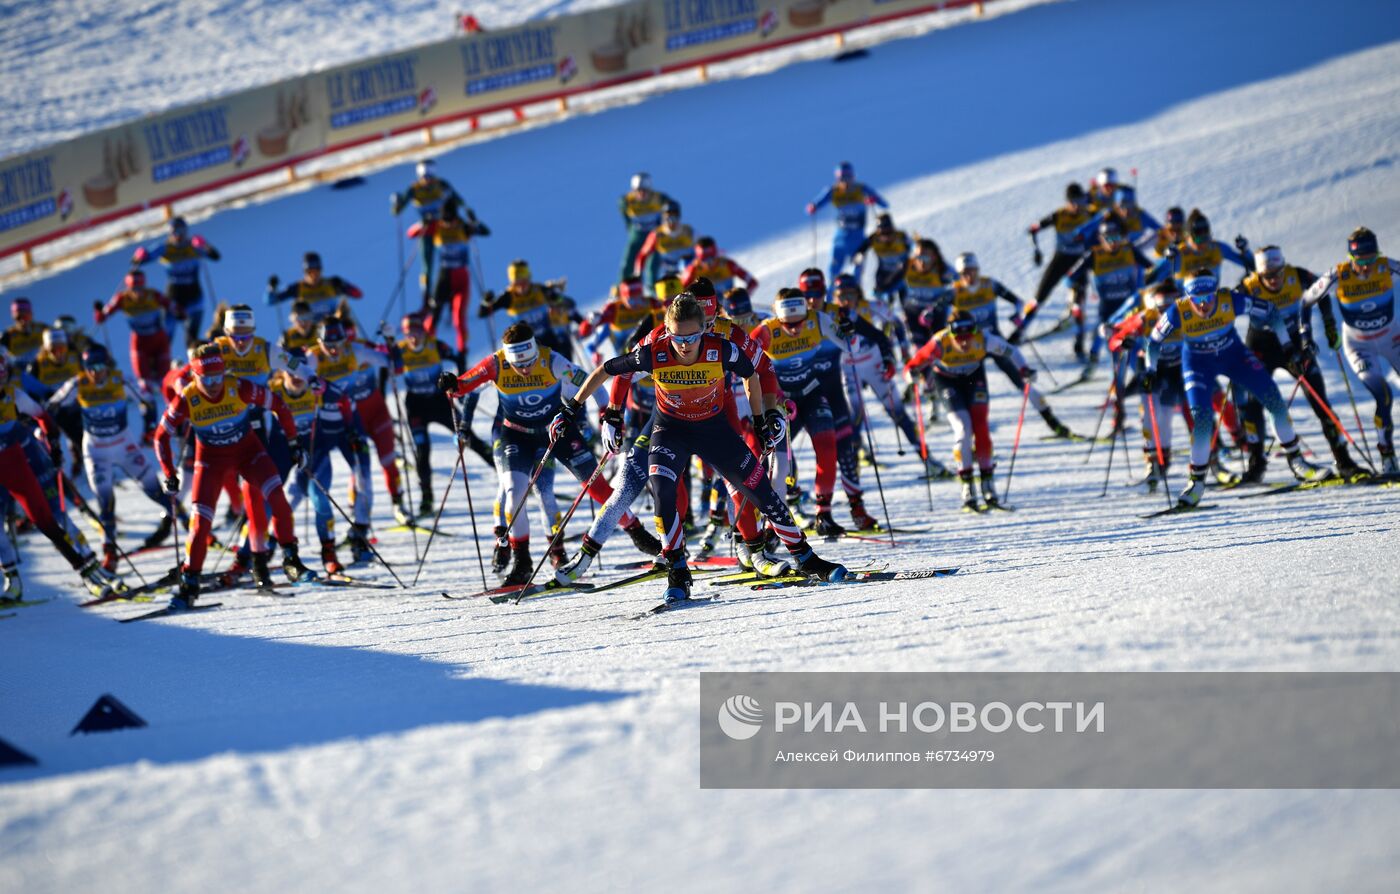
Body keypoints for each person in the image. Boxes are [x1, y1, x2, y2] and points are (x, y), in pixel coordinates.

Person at [562, 294, 847, 603]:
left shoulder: (720, 349)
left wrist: (760, 419)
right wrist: (575, 409)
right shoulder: (654, 352)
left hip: (713, 431)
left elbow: (753, 373)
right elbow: (607, 370)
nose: (684, 345)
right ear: (668, 332)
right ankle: (678, 570)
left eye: (693, 337)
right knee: (663, 492)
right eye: (677, 337)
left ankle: (806, 558)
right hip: (670, 431)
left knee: (760, 490)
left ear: (704, 331)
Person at [437, 322, 640, 582]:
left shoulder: (552, 361)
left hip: (555, 430)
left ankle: (639, 534)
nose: (525, 369)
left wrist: (606, 416)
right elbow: (463, 386)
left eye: (529, 362)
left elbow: (597, 387)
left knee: (597, 487)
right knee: (513, 493)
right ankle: (522, 562)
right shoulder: (496, 363)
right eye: (518, 365)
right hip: (516, 434)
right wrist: (451, 382)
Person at [1145, 268, 1317, 507]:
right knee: (1202, 420)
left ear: (1216, 294)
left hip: (1234, 356)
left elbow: (1271, 311)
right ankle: (1196, 482)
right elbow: (1154, 341)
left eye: (1208, 298)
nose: (1204, 305)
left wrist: (1287, 345)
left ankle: (1297, 461)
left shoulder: (1229, 300)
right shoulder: (1179, 310)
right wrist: (1150, 370)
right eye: (1197, 300)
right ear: (1187, 298)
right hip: (1198, 364)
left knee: (1275, 402)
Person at [155, 345, 311, 606]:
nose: (214, 384)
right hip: (211, 461)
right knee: (200, 524)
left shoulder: (238, 386)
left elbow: (280, 406)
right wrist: (170, 473)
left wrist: (294, 443)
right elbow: (161, 437)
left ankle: (291, 559)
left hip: (248, 453)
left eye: (218, 376)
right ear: (195, 376)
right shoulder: (187, 398)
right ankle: (190, 581)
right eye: (207, 379)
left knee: (278, 500)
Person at [0, 350, 125, 599]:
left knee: (49, 521)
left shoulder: (14, 396)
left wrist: (55, 446)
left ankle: (90, 572)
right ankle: (12, 584)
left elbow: (44, 416)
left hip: (21, 463)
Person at [47, 344, 184, 567]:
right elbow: (51, 405)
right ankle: (110, 553)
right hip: (95, 451)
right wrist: (48, 431)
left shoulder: (119, 379)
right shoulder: (78, 383)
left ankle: (195, 529)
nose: (95, 372)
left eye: (100, 366)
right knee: (105, 503)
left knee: (156, 492)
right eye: (90, 367)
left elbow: (148, 400)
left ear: (107, 366)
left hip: (124, 446)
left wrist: (150, 426)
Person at [751, 288, 874, 535]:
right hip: (781, 402)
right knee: (779, 465)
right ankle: (772, 523)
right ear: (778, 317)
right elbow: (745, 357)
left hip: (812, 393)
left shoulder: (818, 320)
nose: (795, 329)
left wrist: (850, 332)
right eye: (789, 324)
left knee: (829, 450)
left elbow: (853, 347)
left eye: (799, 322)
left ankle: (824, 515)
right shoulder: (767, 329)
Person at [1235, 245, 1361, 481]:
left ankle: (1344, 460)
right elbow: (1224, 310)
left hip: (1295, 345)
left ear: (1284, 267)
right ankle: (1256, 464)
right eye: (1268, 276)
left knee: (1320, 402)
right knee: (1253, 405)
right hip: (1261, 347)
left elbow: (1322, 294)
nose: (1274, 280)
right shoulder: (1249, 285)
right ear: (1259, 275)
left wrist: (1329, 325)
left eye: (1278, 273)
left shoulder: (1298, 275)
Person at [929, 252, 1074, 438]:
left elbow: (1020, 303)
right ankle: (973, 440)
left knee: (1022, 382)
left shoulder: (990, 285)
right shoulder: (954, 291)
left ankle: (1053, 423)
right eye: (964, 272)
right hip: (970, 350)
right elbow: (932, 311)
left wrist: (1018, 316)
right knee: (974, 396)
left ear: (977, 270)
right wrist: (929, 316)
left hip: (993, 342)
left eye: (971, 271)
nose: (968, 276)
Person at [1300, 227, 1400, 473]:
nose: (1365, 266)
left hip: (1392, 337)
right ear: (1350, 257)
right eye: (1360, 260)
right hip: (1359, 344)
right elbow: (1305, 300)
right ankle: (1387, 455)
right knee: (1383, 395)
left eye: (1370, 259)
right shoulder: (1338, 274)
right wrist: (1305, 334)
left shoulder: (1387, 266)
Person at [306, 317, 408, 523]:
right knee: (357, 468)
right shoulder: (315, 357)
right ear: (320, 342)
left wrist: (391, 342)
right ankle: (356, 515)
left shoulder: (359, 349)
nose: (335, 350)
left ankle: (398, 504)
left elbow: (396, 366)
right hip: (346, 419)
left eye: (340, 343)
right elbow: (295, 374)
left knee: (387, 460)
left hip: (375, 412)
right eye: (329, 345)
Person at [272, 366, 371, 573]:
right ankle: (261, 553)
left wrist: (350, 427)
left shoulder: (315, 388)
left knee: (320, 500)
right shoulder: (273, 390)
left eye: (301, 373)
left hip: (314, 455)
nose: (297, 378)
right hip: (285, 454)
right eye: (291, 373)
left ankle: (329, 554)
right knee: (277, 504)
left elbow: (343, 398)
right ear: (283, 373)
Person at [396, 312, 490, 516]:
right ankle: (426, 498)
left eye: (417, 332)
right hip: (416, 405)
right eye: (408, 333)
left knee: (469, 438)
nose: (413, 337)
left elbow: (458, 357)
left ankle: (506, 472)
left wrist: (460, 385)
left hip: (439, 402)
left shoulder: (435, 345)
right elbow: (384, 365)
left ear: (423, 331)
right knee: (422, 450)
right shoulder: (400, 350)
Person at [1108, 280, 1187, 491]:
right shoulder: (1145, 317)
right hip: (1150, 370)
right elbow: (1114, 336)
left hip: (1174, 370)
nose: (1165, 313)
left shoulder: (1187, 315)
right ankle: (1152, 464)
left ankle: (1164, 460)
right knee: (1149, 417)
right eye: (1161, 307)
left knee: (1166, 418)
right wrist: (1122, 342)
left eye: (1169, 308)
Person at [94, 269, 181, 432]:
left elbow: (171, 305)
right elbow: (106, 313)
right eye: (134, 289)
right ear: (128, 288)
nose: (138, 293)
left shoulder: (153, 295)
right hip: (140, 343)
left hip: (159, 340)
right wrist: (100, 314)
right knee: (144, 385)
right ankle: (150, 427)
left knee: (166, 380)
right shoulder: (122, 298)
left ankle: (177, 421)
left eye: (140, 288)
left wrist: (179, 311)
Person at [1018, 183, 1094, 355]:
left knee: (1079, 303)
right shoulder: (1059, 215)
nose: (1076, 205)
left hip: (1080, 261)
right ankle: (1020, 330)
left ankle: (1079, 341)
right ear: (1067, 202)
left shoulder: (1089, 214)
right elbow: (1033, 229)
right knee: (1040, 296)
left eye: (1079, 201)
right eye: (1073, 202)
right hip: (1060, 259)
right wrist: (1036, 250)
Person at [407, 197, 489, 352]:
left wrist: (474, 221)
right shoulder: (437, 226)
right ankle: (427, 351)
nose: (448, 224)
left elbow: (485, 231)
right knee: (433, 318)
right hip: (444, 278)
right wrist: (424, 222)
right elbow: (411, 233)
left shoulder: (462, 226)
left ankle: (462, 354)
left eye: (450, 220)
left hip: (461, 278)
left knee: (459, 319)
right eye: (445, 220)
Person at [131, 216, 220, 350]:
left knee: (192, 339)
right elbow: (138, 262)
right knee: (166, 338)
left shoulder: (193, 245)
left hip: (194, 299)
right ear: (170, 233)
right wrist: (139, 256)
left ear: (186, 231)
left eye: (181, 232)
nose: (178, 236)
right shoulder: (165, 248)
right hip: (172, 301)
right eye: (174, 232)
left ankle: (195, 366)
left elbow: (215, 256)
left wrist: (205, 246)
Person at [806, 161, 889, 284]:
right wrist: (813, 206)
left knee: (858, 269)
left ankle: (856, 295)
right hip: (840, 238)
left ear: (853, 177)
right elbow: (817, 203)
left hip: (858, 239)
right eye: (841, 177)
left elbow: (884, 204)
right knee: (834, 270)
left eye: (848, 176)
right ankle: (830, 296)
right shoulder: (833, 191)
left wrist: (874, 199)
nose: (845, 181)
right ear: (837, 178)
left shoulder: (861, 189)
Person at [392, 159, 465, 298]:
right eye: (424, 177)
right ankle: (426, 297)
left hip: (444, 230)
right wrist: (397, 204)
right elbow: (398, 210)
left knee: (448, 265)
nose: (428, 180)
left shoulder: (442, 185)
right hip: (426, 230)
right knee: (427, 266)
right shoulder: (414, 189)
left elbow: (459, 201)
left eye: (430, 176)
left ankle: (449, 296)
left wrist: (462, 208)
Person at [478, 259, 573, 355]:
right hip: (527, 346)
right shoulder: (508, 297)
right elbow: (483, 312)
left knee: (564, 350)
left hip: (549, 341)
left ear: (529, 277)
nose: (521, 286)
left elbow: (566, 302)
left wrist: (557, 298)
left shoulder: (539, 290)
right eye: (517, 281)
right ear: (512, 282)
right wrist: (486, 301)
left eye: (524, 280)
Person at [266, 252, 363, 322]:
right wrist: (271, 288)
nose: (314, 275)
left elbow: (358, 294)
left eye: (317, 271)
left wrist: (345, 286)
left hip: (333, 328)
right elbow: (271, 300)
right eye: (310, 272)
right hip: (309, 332)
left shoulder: (331, 283)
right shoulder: (297, 288)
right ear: (305, 272)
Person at [617, 172, 672, 282]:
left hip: (654, 234)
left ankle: (653, 288)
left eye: (645, 191)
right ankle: (623, 287)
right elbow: (626, 217)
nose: (642, 194)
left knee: (653, 264)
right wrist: (631, 230)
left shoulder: (660, 199)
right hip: (638, 233)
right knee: (629, 261)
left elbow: (669, 213)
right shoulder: (627, 201)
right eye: (638, 191)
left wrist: (663, 230)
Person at [632, 199, 694, 288]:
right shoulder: (657, 235)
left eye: (674, 217)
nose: (672, 222)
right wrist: (638, 273)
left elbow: (702, 249)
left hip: (688, 274)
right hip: (668, 275)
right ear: (663, 218)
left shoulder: (689, 231)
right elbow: (643, 254)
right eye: (668, 217)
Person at [852, 213, 911, 305]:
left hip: (901, 271)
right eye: (882, 233)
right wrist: (859, 255)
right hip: (884, 271)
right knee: (882, 296)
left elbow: (914, 249)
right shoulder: (874, 238)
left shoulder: (901, 237)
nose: (886, 237)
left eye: (889, 232)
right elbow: (862, 248)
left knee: (903, 295)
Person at [681, 237, 757, 297]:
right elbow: (680, 290)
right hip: (706, 310)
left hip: (729, 309)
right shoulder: (693, 269)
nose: (708, 264)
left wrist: (742, 296)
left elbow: (752, 282)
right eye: (704, 260)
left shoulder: (727, 264)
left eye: (711, 259)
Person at [2, 298, 47, 366]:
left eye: (26, 316)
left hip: (40, 367)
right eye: (19, 317)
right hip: (17, 370)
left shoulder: (42, 329)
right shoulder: (7, 335)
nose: (23, 320)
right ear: (13, 316)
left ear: (31, 314)